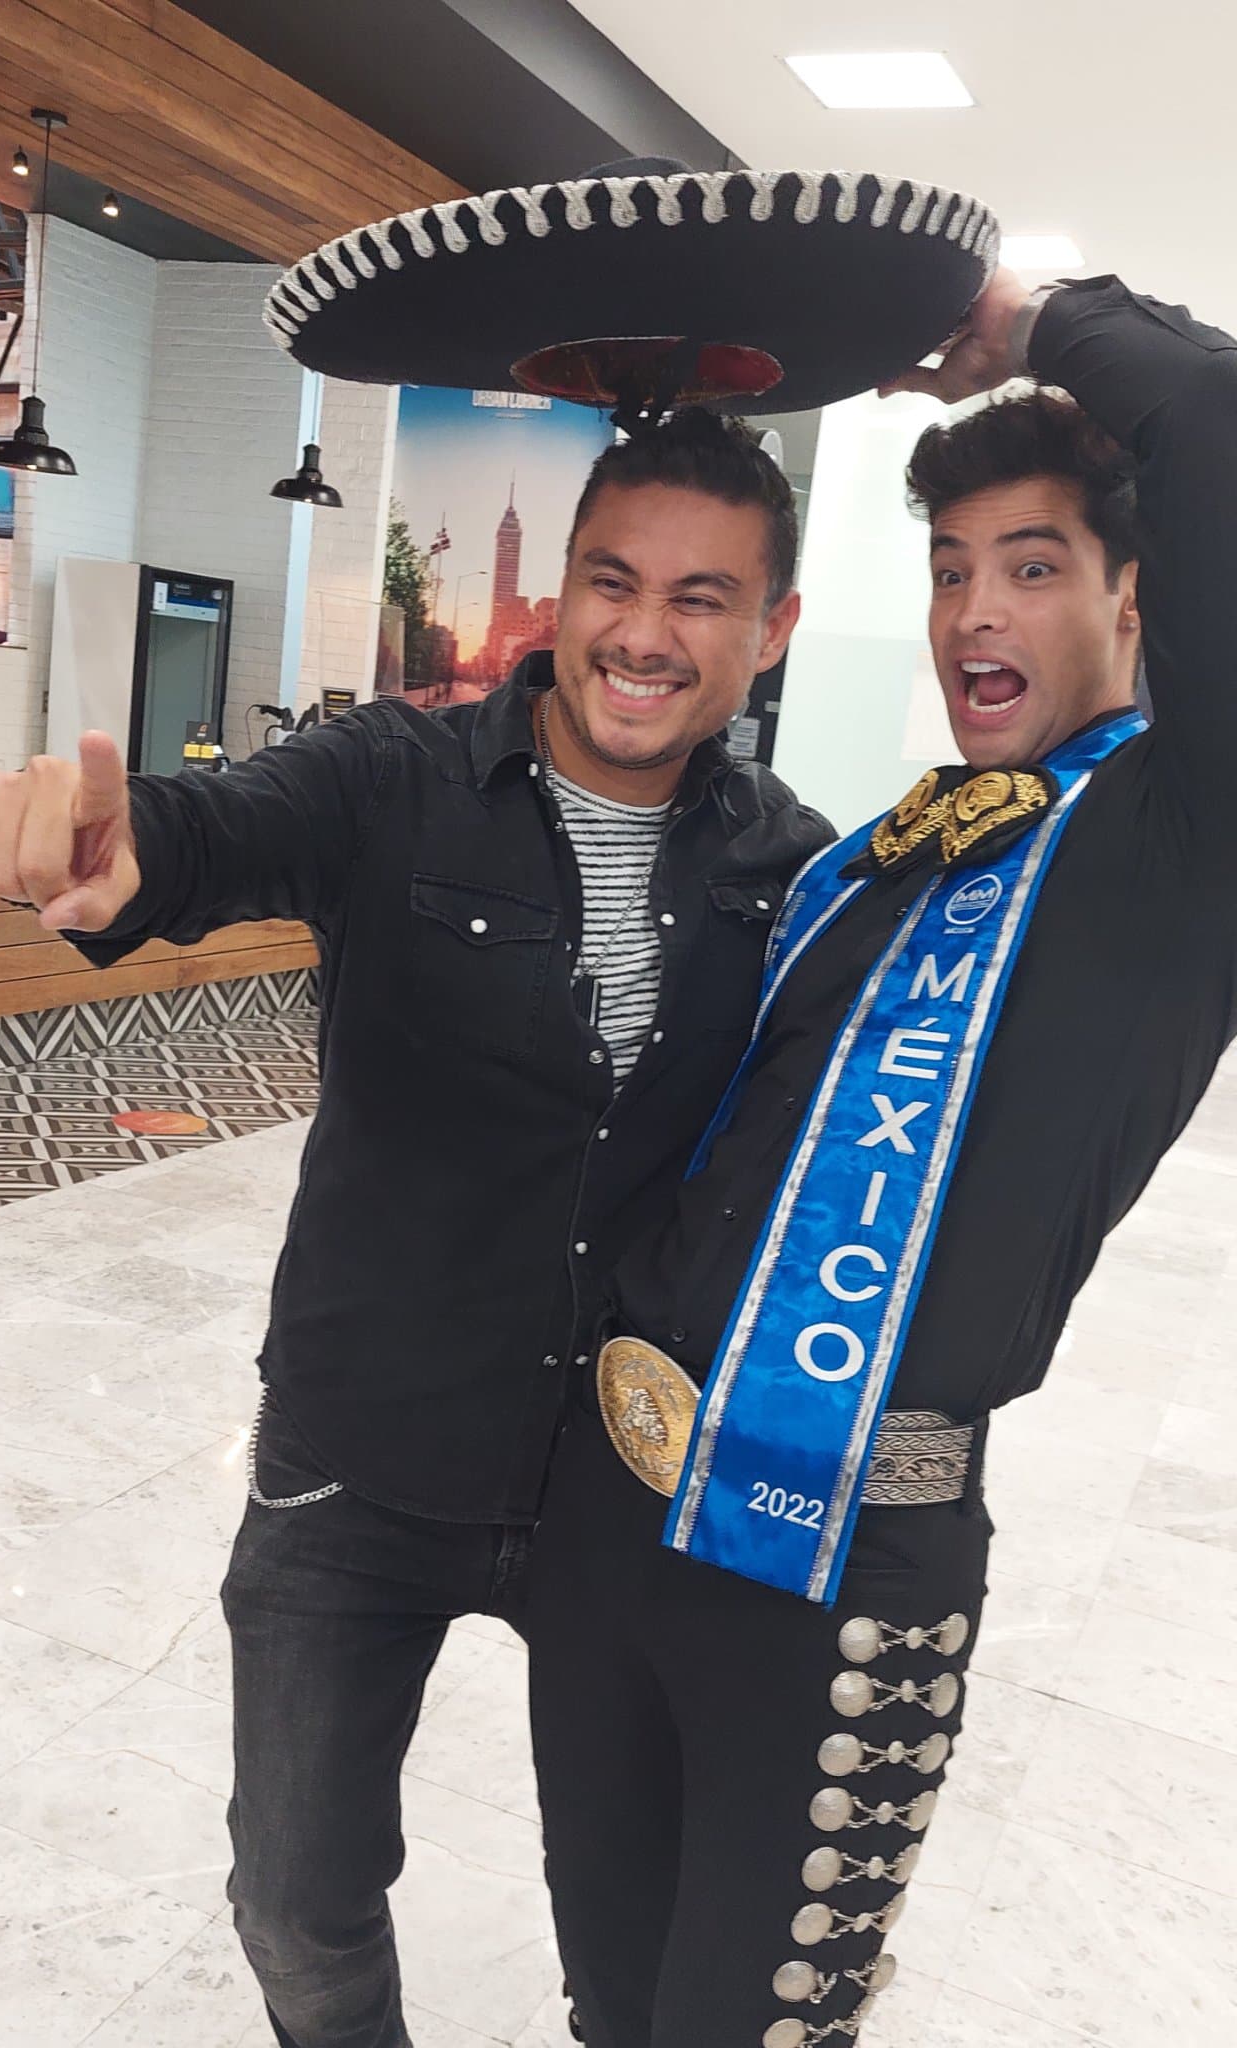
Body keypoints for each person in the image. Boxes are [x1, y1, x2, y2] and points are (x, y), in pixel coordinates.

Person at [0, 409, 828, 2048]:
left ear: (770, 629)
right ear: (560, 590)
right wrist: (116, 845)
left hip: (621, 1479)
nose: (644, 633)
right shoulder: (391, 779)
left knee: (636, 1926)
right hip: (361, 1452)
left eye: (701, 597)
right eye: (612, 581)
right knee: (296, 1897)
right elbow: (215, 830)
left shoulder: (794, 868)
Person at [526, 265, 1237, 2047]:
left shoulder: (1178, 846)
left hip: (839, 1565)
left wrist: (1039, 319)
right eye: (949, 567)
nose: (975, 607)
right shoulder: (883, 858)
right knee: (610, 2007)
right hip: (615, 1519)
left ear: (1138, 596)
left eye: (1034, 566)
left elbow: (1222, 424)